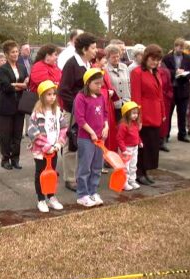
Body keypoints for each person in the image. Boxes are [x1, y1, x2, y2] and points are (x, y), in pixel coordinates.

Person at [59, 32, 97, 191]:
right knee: (72, 144)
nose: (96, 51)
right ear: (84, 49)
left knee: (84, 144)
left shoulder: (88, 64)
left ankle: (82, 175)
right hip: (73, 112)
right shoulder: (71, 64)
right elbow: (63, 90)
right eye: (93, 48)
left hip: (87, 112)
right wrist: (77, 105)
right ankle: (69, 178)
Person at [28, 80, 67, 213]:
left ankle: (51, 197)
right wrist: (46, 146)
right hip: (41, 151)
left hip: (54, 149)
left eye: (54, 94)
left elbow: (63, 127)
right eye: (48, 94)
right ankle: (41, 199)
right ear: (42, 96)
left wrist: (58, 143)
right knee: (41, 174)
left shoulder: (57, 111)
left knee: (51, 174)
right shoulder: (37, 113)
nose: (52, 97)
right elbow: (33, 132)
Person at [130, 44, 165, 186]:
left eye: (157, 59)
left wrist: (163, 112)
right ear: (146, 57)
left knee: (152, 145)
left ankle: (145, 171)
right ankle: (139, 172)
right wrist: (138, 117)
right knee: (142, 145)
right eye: (152, 58)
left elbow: (160, 95)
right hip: (144, 113)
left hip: (156, 113)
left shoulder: (156, 72)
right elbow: (136, 97)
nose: (155, 62)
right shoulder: (137, 72)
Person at [75, 68, 108, 207]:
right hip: (86, 138)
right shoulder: (81, 97)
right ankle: (82, 194)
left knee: (97, 166)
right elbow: (80, 119)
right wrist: (92, 133)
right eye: (96, 83)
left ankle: (93, 191)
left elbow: (105, 114)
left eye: (101, 83)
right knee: (85, 167)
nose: (99, 86)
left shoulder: (101, 97)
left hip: (100, 138)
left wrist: (106, 127)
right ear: (88, 83)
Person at [0, 40, 29, 170]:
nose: (15, 54)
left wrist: (16, 85)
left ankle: (15, 159)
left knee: (17, 134)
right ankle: (5, 159)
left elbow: (27, 81)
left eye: (16, 51)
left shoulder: (22, 67)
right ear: (6, 54)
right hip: (6, 106)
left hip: (19, 105)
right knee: (6, 135)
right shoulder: (3, 69)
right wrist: (19, 85)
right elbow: (6, 87)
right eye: (12, 52)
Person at [162, 38, 190, 143]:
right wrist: (175, 72)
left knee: (182, 113)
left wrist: (185, 75)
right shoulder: (167, 58)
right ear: (175, 46)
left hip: (183, 88)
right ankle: (166, 135)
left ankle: (182, 134)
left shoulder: (188, 58)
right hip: (171, 88)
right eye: (179, 47)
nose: (180, 49)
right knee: (168, 114)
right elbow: (164, 70)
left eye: (182, 47)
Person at [116, 101, 143, 191]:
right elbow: (119, 139)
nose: (136, 115)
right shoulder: (123, 125)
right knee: (125, 167)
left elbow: (136, 134)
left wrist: (139, 142)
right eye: (133, 113)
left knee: (133, 165)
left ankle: (132, 180)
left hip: (134, 148)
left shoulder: (135, 123)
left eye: (137, 113)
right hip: (126, 149)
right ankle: (124, 182)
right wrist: (123, 150)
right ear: (127, 114)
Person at [105, 44, 131, 122]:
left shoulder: (124, 67)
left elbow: (129, 84)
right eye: (113, 57)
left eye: (118, 56)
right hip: (114, 106)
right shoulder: (105, 70)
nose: (116, 59)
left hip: (127, 103)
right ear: (108, 57)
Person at [158, 62, 174, 152]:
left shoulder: (165, 71)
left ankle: (162, 141)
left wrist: (169, 95)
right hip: (154, 100)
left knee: (165, 122)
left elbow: (169, 85)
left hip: (165, 99)